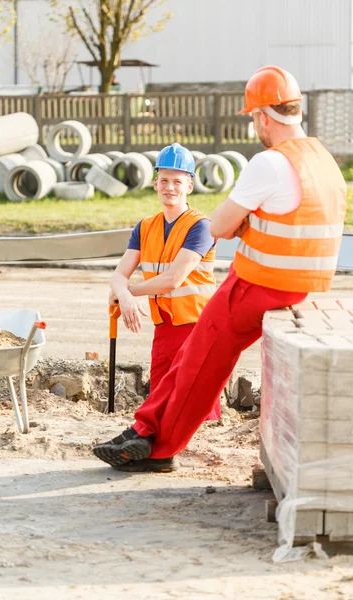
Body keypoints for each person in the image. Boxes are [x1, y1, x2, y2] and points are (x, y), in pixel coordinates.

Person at [94, 65, 347, 473]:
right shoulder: (323, 161)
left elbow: (220, 227)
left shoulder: (270, 163)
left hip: (257, 283)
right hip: (298, 286)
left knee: (197, 361)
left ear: (264, 116)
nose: (255, 127)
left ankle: (154, 446)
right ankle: (144, 431)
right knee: (192, 359)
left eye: (254, 119)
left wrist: (243, 223)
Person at [107, 143, 221, 447]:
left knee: (197, 402)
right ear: (155, 182)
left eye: (177, 181)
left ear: (190, 185)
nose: (170, 187)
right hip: (164, 328)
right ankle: (155, 450)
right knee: (161, 400)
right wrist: (124, 293)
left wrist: (127, 292)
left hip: (197, 327)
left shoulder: (201, 227)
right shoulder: (145, 227)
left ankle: (203, 453)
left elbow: (172, 280)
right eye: (165, 180)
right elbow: (118, 274)